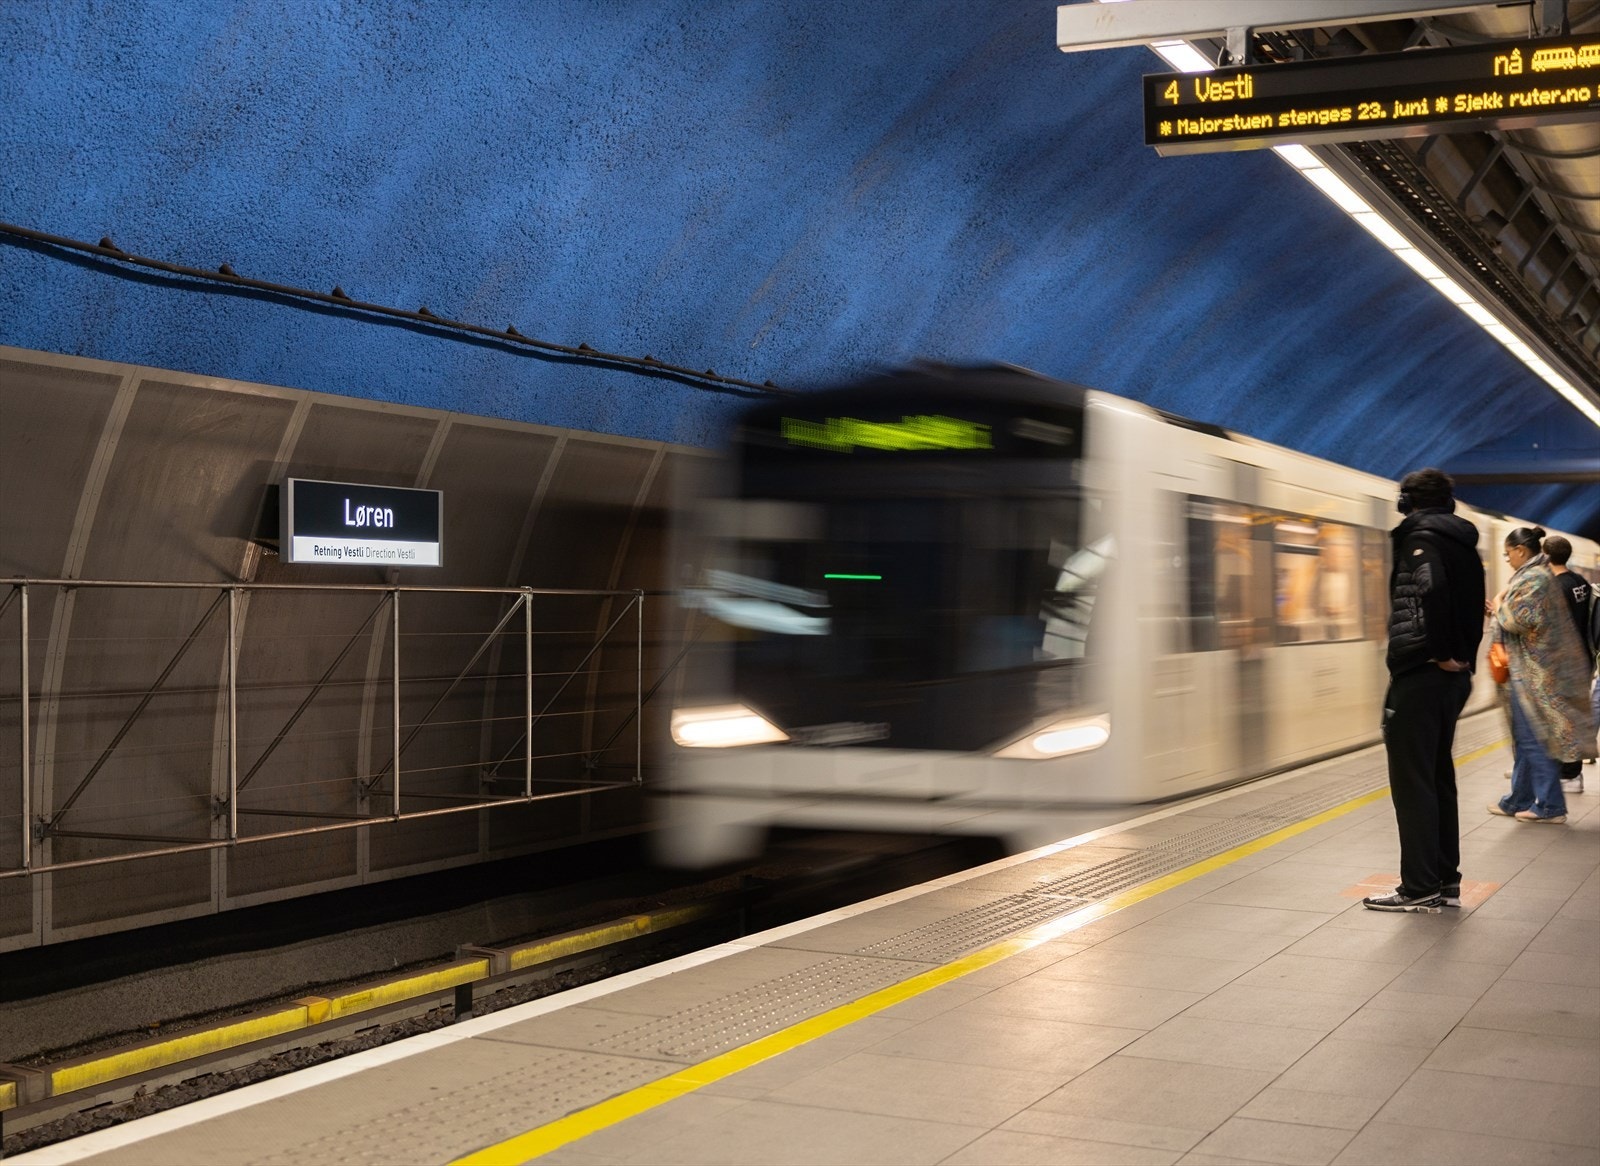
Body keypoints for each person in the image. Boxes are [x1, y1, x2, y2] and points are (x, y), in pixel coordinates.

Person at [1365, 469, 1485, 913]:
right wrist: (1463, 654)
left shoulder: (1421, 538)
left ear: (1406, 502)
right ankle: (1445, 880)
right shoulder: (1461, 541)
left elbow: (1431, 589)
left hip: (1421, 675)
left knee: (1413, 783)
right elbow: (1471, 602)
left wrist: (1440, 652)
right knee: (1437, 779)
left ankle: (1418, 886)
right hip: (1451, 679)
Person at [1488, 528, 1596, 823]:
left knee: (1535, 739)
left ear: (1521, 550)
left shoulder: (1534, 577)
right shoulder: (1536, 574)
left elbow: (1519, 620)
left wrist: (1499, 605)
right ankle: (1518, 799)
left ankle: (1550, 806)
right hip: (1529, 671)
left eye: (1508, 553)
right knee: (1527, 740)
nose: (1507, 559)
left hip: (1537, 673)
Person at [1543, 535, 1595, 794]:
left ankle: (1570, 774)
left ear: (1546, 556)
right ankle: (1568, 771)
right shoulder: (1580, 582)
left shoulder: (1555, 587)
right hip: (1581, 659)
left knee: (1562, 720)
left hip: (1562, 662)